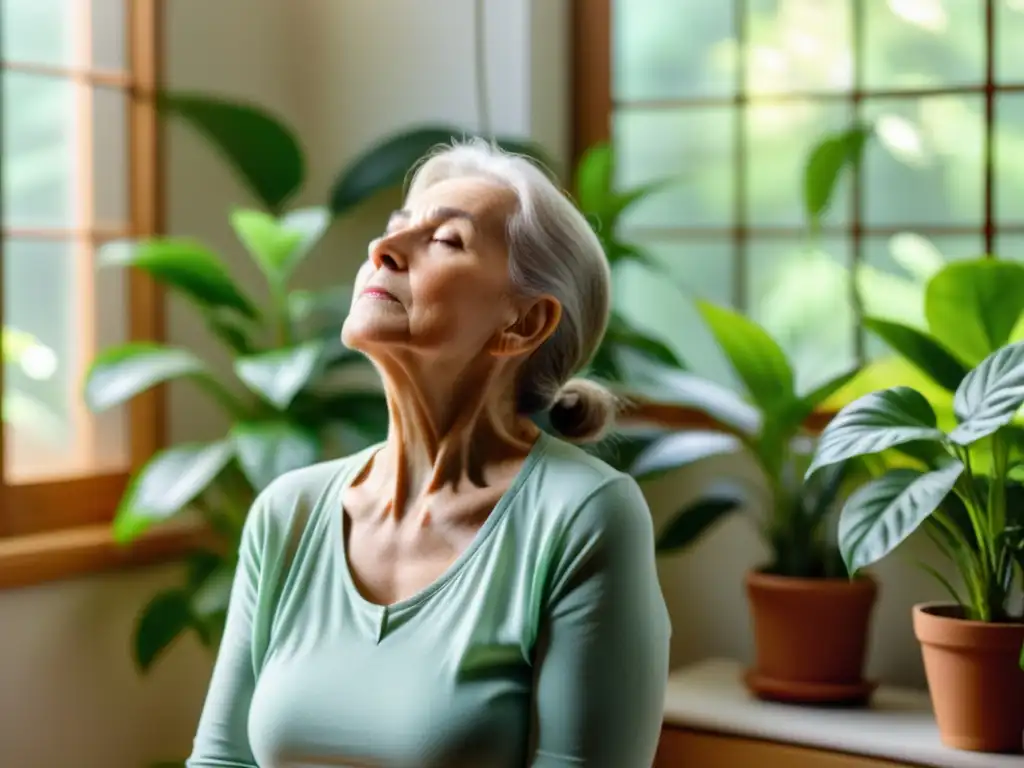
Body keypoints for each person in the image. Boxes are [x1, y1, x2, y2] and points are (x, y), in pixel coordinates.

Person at [186, 139, 671, 768]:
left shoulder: (583, 516)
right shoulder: (290, 511)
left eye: (445, 240)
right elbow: (221, 761)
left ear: (522, 324)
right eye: (395, 229)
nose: (380, 250)